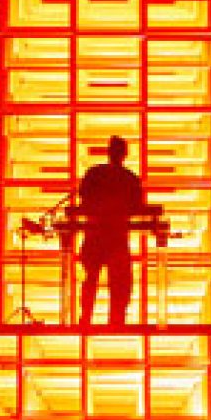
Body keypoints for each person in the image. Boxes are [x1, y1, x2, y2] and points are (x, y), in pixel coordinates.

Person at [74, 136, 146, 327]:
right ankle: (116, 321)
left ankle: (86, 319)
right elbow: (137, 207)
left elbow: (84, 201)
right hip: (116, 237)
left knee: (92, 280)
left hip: (96, 235)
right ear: (125, 154)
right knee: (118, 283)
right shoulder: (129, 178)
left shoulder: (94, 174)